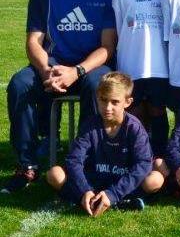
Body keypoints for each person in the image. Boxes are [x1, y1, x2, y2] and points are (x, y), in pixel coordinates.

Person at [4, 0, 117, 193]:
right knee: (20, 84)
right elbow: (33, 42)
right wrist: (45, 70)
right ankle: (27, 163)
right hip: (52, 68)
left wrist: (76, 71)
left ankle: (86, 160)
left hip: (89, 67)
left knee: (98, 84)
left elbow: (107, 47)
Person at [46, 72, 164, 214]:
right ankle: (93, 199)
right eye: (103, 100)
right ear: (97, 97)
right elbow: (74, 160)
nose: (108, 107)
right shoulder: (90, 125)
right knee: (54, 174)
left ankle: (112, 199)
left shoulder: (134, 128)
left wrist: (113, 193)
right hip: (93, 181)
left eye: (115, 102)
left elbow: (143, 164)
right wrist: (84, 190)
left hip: (121, 181)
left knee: (155, 179)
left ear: (127, 102)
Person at [112, 0, 173, 157]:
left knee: (157, 110)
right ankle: (136, 156)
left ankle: (159, 156)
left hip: (159, 68)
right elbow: (119, 30)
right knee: (135, 113)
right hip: (131, 66)